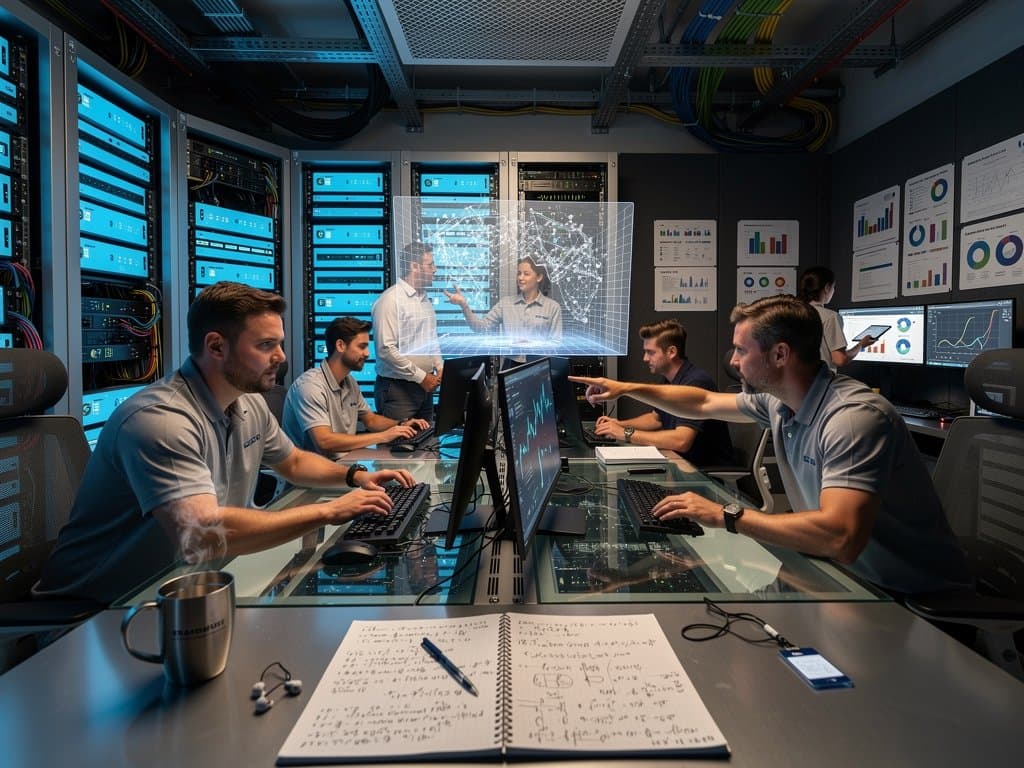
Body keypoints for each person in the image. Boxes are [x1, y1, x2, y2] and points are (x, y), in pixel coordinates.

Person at [34, 282, 414, 605]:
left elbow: (295, 463)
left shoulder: (247, 403)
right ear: (216, 347)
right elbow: (202, 534)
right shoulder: (159, 421)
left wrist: (354, 477)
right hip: (99, 611)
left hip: (192, 589)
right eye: (266, 345)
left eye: (280, 344)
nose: (281, 358)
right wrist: (330, 512)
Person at [571, 294, 971, 596]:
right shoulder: (780, 401)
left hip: (903, 597)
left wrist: (727, 516)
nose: (735, 361)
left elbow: (841, 538)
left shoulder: (852, 418)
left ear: (780, 354)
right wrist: (624, 388)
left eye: (743, 351)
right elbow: (703, 401)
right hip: (834, 575)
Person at [591, 319, 733, 466]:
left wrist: (626, 434)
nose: (645, 358)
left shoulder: (695, 382)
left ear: (671, 352)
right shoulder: (671, 379)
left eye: (650, 353)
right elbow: (656, 419)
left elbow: (681, 441)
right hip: (681, 465)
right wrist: (620, 424)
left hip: (707, 475)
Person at [282, 317, 430, 458]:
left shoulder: (349, 382)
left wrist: (401, 424)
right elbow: (324, 441)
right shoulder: (310, 387)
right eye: (362, 347)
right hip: (312, 478)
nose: (367, 353)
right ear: (340, 346)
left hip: (345, 463)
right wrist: (383, 436)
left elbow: (371, 420)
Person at [372, 241, 443, 422]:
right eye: (430, 265)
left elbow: (431, 339)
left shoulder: (425, 300)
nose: (435, 269)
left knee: (426, 443)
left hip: (424, 387)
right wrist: (421, 377)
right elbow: (385, 349)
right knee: (396, 446)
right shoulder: (390, 300)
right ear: (414, 266)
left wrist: (440, 366)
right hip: (398, 390)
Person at [443, 256, 562, 342]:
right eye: (519, 273)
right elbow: (480, 327)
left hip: (540, 366)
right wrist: (464, 305)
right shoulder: (506, 304)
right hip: (510, 367)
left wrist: (532, 344)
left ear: (539, 277)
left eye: (526, 274)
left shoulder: (552, 307)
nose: (520, 278)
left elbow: (556, 344)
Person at [798, 266, 874, 371]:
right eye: (833, 287)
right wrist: (861, 345)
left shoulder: (795, 313)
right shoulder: (830, 317)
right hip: (821, 383)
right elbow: (840, 359)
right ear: (827, 288)